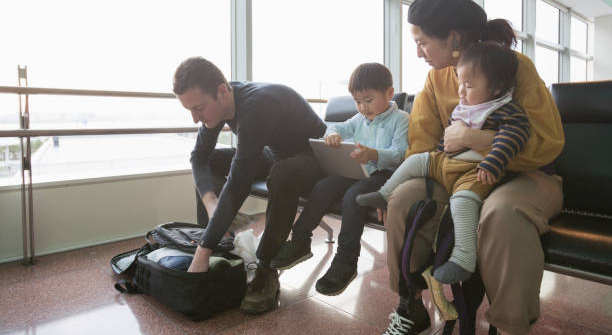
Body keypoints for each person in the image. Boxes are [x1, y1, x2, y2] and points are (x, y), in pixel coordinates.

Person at [380, 0, 564, 335]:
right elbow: (421, 141)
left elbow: (547, 143)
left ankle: (511, 324)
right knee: (403, 200)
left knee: (502, 214)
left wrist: (473, 139)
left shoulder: (513, 67)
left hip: (525, 174)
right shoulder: (436, 79)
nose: (418, 52)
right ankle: (410, 303)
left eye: (422, 42)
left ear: (454, 37)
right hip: (458, 172)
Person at [357, 42, 528, 285]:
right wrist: (440, 152)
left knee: (463, 202)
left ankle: (463, 258)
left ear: (497, 87)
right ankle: (385, 193)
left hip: (474, 171)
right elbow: (446, 136)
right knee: (418, 160)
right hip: (446, 162)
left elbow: (512, 137)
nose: (461, 92)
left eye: (468, 86)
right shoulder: (466, 105)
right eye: (460, 83)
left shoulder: (505, 110)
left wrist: (492, 163)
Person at [173, 57, 327, 314]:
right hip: (277, 154)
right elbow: (199, 157)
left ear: (222, 91)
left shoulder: (257, 104)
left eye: (198, 108)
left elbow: (239, 182)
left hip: (314, 158)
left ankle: (266, 268)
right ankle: (219, 249)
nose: (194, 118)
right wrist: (211, 202)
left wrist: (201, 252)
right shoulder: (219, 105)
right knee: (213, 160)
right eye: (190, 110)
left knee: (281, 173)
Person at [269, 63, 409, 296]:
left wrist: (373, 154)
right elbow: (336, 129)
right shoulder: (359, 118)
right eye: (357, 101)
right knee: (324, 186)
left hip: (384, 176)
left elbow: (400, 154)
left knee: (355, 196)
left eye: (368, 100)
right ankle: (300, 241)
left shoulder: (401, 119)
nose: (363, 107)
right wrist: (332, 135)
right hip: (357, 171)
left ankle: (346, 259)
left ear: (389, 94)